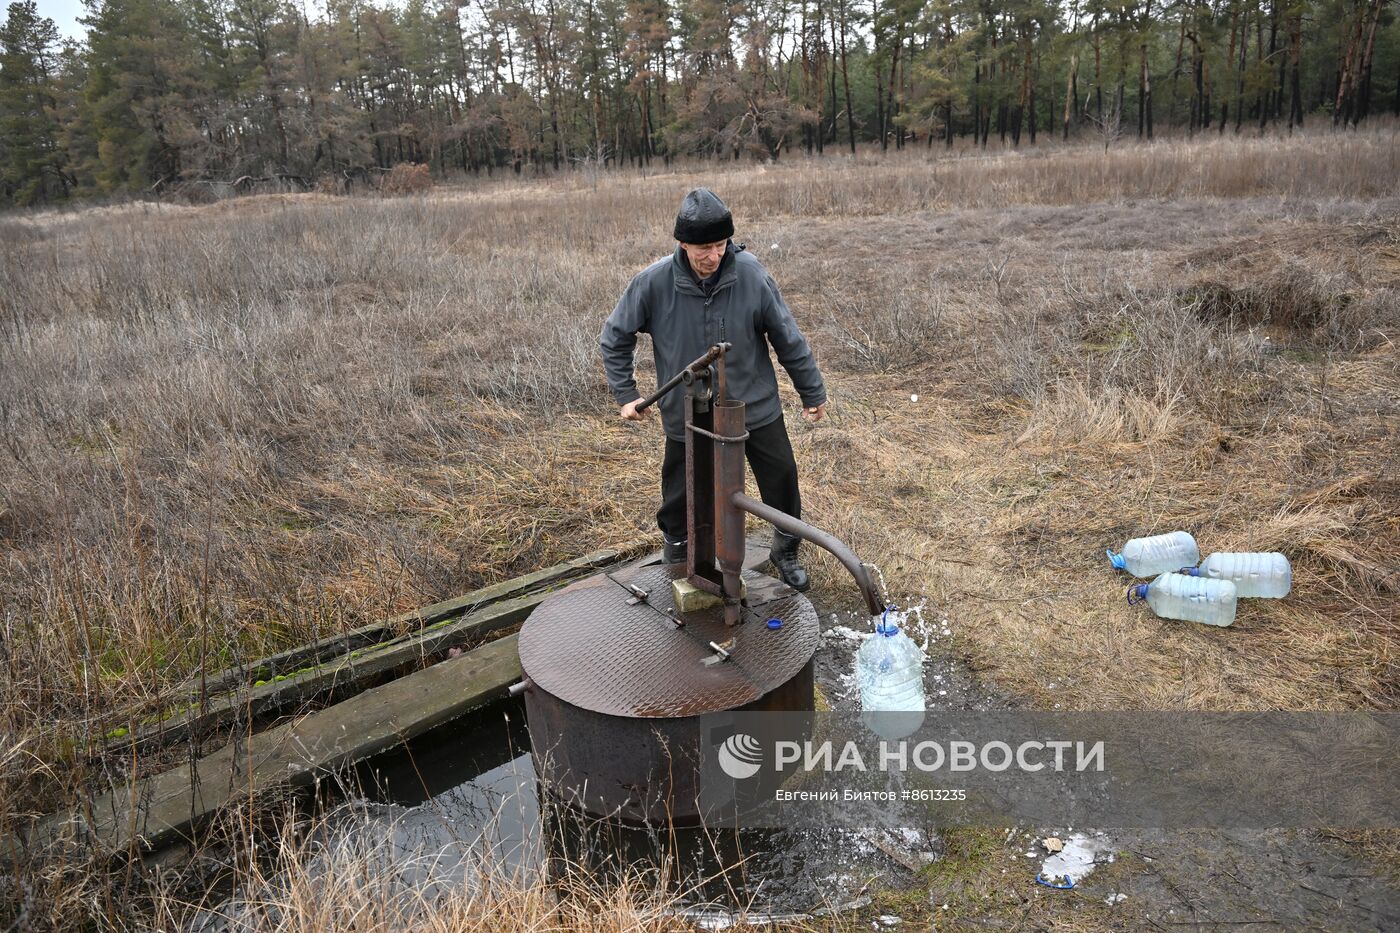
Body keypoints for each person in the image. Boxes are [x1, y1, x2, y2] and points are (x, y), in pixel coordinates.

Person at [598, 187, 828, 591]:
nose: (714, 256)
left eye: (721, 245)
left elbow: (787, 337)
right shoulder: (653, 284)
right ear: (682, 243)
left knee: (782, 477)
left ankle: (785, 550)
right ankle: (678, 549)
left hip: (753, 404)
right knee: (681, 490)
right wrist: (626, 393)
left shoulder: (751, 274)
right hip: (688, 412)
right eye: (704, 247)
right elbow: (615, 336)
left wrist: (812, 392)